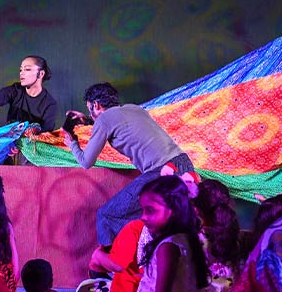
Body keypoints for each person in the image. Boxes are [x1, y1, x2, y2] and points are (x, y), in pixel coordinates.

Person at [62, 81, 195, 246]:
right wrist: (89, 120)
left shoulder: (104, 120)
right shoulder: (135, 108)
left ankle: (106, 268)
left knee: (107, 216)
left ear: (95, 104)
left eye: (90, 108)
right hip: (185, 167)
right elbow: (116, 122)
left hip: (161, 173)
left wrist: (72, 143)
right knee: (169, 222)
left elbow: (86, 161)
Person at [136, 176, 208, 292]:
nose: (143, 217)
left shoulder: (167, 247)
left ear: (173, 211)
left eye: (150, 210)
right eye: (142, 210)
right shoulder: (184, 239)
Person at [0, 56, 58, 132]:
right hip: (9, 140)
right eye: (21, 70)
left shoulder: (50, 104)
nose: (21, 73)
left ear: (41, 73)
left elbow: (46, 134)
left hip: (33, 143)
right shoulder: (16, 90)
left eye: (27, 69)